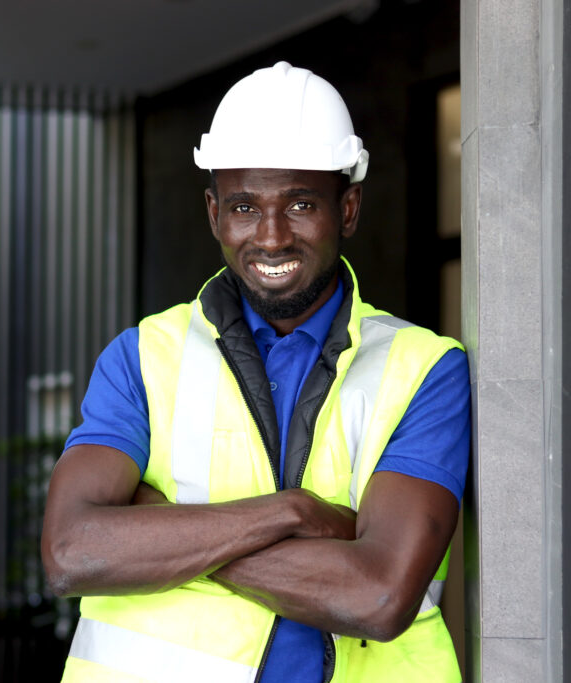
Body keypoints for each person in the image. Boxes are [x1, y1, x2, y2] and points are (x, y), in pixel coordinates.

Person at [41, 61, 469, 683]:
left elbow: (377, 596)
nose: (271, 237)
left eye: (300, 203)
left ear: (347, 210)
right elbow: (70, 550)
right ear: (214, 214)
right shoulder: (142, 357)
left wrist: (160, 535)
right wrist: (291, 513)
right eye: (244, 206)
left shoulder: (424, 369)